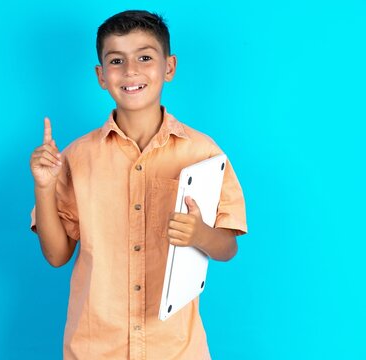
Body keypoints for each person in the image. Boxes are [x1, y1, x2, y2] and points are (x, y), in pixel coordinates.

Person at [29, 10, 247, 360]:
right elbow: (57, 256)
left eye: (145, 57)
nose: (131, 71)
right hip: (95, 348)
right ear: (101, 75)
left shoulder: (203, 153)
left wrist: (199, 234)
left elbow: (227, 248)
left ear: (169, 67)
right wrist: (43, 187)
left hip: (176, 349)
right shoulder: (75, 157)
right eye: (117, 60)